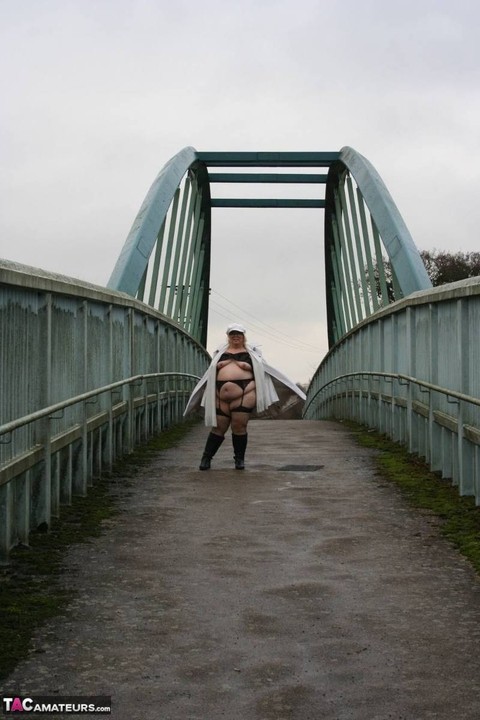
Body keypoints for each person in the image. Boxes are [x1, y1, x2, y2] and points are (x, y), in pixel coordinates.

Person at [184, 323, 306, 471]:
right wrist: (218, 366)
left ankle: (239, 460)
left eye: (239, 334)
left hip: (245, 392)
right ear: (228, 336)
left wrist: (249, 368)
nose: (236, 336)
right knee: (218, 427)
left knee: (239, 426)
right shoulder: (219, 353)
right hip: (219, 394)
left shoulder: (252, 353)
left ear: (243, 336)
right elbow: (210, 372)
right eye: (232, 334)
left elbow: (262, 372)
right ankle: (206, 458)